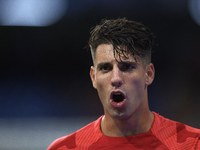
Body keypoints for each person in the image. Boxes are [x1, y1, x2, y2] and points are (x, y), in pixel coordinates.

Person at [47, 18, 200, 150]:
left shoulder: (193, 144)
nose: (116, 78)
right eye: (105, 68)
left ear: (148, 74)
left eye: (127, 67)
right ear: (93, 77)